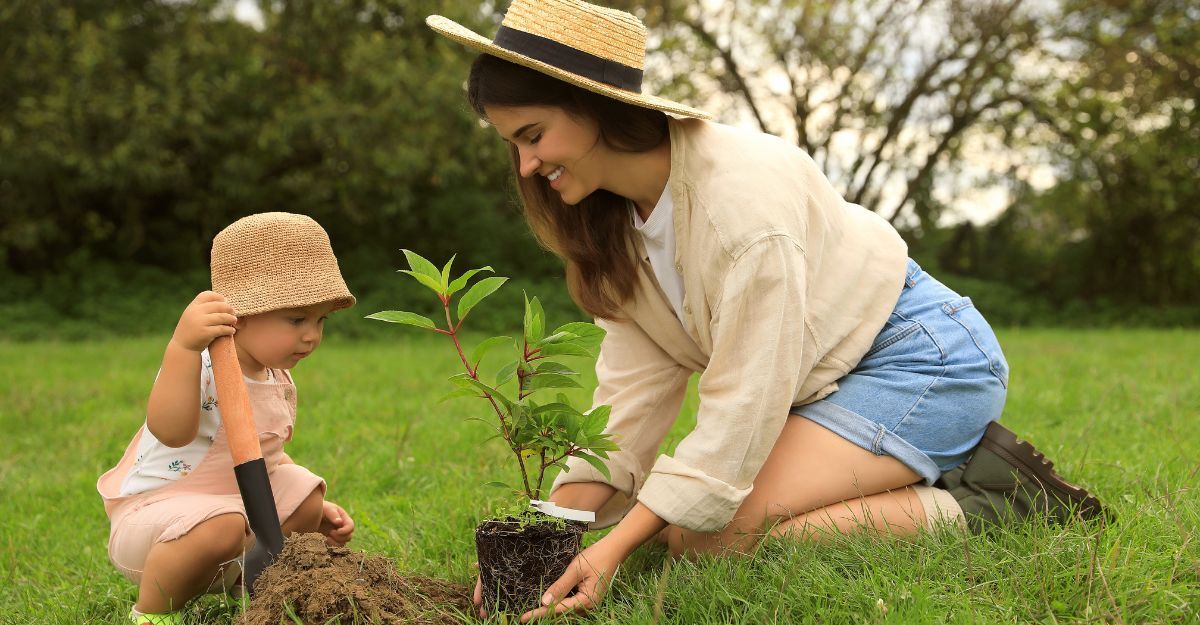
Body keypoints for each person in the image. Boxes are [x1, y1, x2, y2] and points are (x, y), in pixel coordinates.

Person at [427, 0, 1107, 620]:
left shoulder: (742, 208)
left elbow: (743, 405)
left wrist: (614, 549)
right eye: (513, 142)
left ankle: (993, 500)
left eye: (534, 134)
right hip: (823, 377)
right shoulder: (614, 222)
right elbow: (629, 396)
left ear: (593, 106)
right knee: (675, 528)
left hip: (921, 360)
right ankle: (907, 470)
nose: (524, 165)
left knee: (701, 536)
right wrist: (550, 535)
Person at [97, 212, 358, 625]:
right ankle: (151, 614)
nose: (311, 335)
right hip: (158, 525)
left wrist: (313, 507)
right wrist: (181, 348)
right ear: (242, 314)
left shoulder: (278, 377)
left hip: (237, 519)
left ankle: (264, 589)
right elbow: (171, 431)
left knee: (305, 491)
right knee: (223, 524)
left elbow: (266, 455)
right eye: (296, 319)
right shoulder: (200, 367)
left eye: (320, 319)